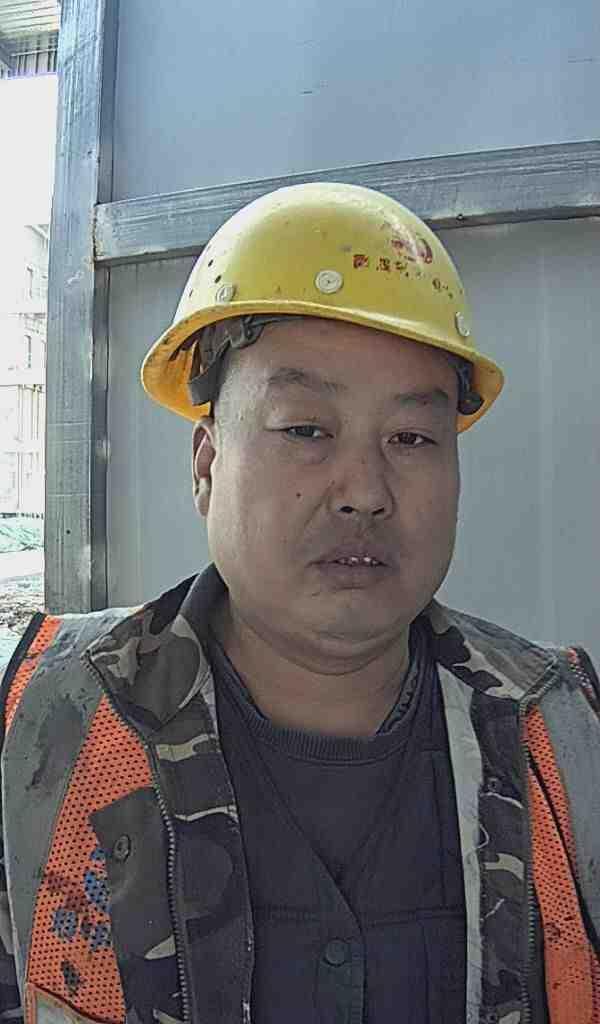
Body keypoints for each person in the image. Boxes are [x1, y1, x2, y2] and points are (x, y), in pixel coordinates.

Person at [1, 183, 599, 1024]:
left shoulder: (561, 731)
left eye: (412, 438)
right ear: (206, 465)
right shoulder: (43, 723)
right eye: (306, 430)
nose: (365, 491)